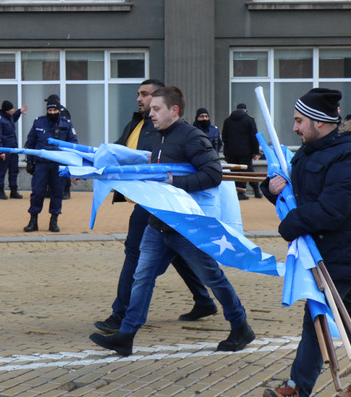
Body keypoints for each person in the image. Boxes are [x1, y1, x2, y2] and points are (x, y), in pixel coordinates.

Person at [90, 86, 255, 357]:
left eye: (156, 109)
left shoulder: (192, 137)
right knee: (142, 276)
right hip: (158, 223)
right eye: (150, 109)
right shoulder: (157, 138)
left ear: (174, 110)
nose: (150, 113)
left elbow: (213, 174)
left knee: (211, 277)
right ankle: (127, 335)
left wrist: (174, 181)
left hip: (187, 226)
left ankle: (240, 326)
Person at [261, 87, 351, 397]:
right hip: (319, 250)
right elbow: (297, 189)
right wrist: (271, 189)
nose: (295, 128)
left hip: (340, 252)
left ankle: (297, 391)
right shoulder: (310, 149)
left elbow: (333, 208)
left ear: (319, 122)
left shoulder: (350, 154)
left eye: (300, 121)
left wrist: (289, 224)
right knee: (350, 314)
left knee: (316, 317)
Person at [94, 79, 219, 335]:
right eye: (139, 95)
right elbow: (118, 152)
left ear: (165, 102)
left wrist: (174, 181)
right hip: (147, 198)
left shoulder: (174, 131)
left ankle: (121, 315)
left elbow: (209, 171)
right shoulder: (138, 122)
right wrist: (92, 166)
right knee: (177, 254)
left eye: (146, 95)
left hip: (161, 202)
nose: (141, 100)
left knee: (136, 254)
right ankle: (204, 301)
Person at [23, 99, 78, 232]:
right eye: (50, 110)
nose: (52, 112)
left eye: (54, 110)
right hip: (41, 164)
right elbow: (30, 143)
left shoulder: (67, 124)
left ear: (59, 111)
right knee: (37, 192)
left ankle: (54, 221)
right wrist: (29, 161)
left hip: (59, 165)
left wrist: (73, 165)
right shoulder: (39, 122)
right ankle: (33, 220)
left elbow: (73, 145)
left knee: (57, 193)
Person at [222, 103, 262, 200]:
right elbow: (254, 137)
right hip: (245, 152)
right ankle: (255, 190)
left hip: (231, 152)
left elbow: (224, 137)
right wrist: (256, 152)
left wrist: (226, 151)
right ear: (245, 110)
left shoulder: (227, 121)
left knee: (234, 172)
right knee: (248, 170)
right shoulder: (249, 120)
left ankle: (239, 192)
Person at [0, 100, 27, 200]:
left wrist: (19, 111)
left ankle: (13, 190)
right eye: (12, 109)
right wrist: (0, 151)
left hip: (13, 149)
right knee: (2, 170)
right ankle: (1, 190)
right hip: (4, 149)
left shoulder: (9, 117)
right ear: (7, 110)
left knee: (14, 170)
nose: (13, 110)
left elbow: (14, 118)